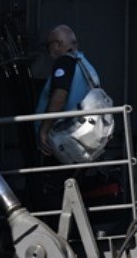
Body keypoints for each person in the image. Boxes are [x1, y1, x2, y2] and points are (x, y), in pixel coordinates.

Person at [34, 24, 101, 160]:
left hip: (64, 140)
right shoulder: (86, 65)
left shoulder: (64, 62)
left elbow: (60, 96)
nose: (49, 51)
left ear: (58, 44)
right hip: (83, 139)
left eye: (49, 45)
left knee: (53, 180)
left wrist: (44, 129)